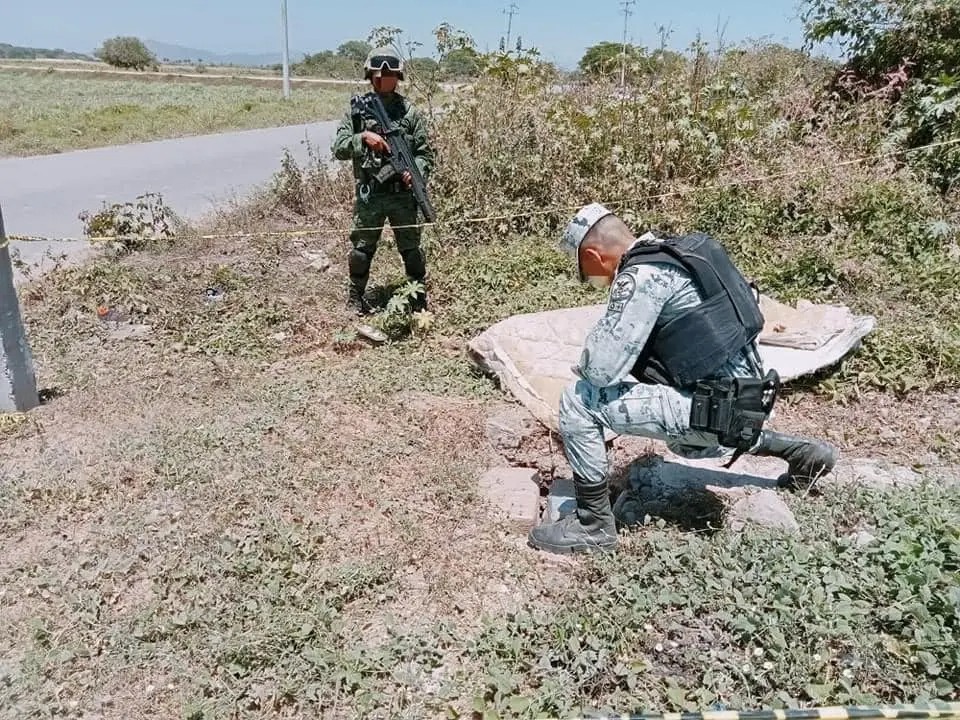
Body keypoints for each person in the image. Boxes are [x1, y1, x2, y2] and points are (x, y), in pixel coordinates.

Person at [527, 203, 839, 556]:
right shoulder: (677, 253)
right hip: (748, 397)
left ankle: (592, 525)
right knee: (689, 427)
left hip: (716, 408)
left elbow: (601, 369)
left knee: (578, 401)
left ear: (595, 256)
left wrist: (586, 362)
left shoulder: (640, 276)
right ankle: (803, 453)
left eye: (588, 273)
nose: (594, 281)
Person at [331, 47, 435, 316]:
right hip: (371, 195)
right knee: (361, 250)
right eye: (380, 73)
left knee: (411, 249)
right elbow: (339, 148)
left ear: (398, 76)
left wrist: (417, 172)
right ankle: (356, 298)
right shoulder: (358, 111)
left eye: (390, 74)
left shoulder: (408, 112)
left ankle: (417, 296)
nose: (385, 78)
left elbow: (425, 153)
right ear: (371, 75)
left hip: (403, 195)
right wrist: (363, 137)